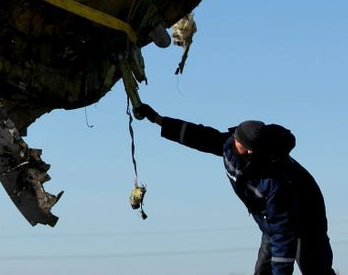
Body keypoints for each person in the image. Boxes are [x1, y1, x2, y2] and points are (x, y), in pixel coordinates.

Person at [135, 103, 336, 275]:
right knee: (263, 270)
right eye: (247, 147)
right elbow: (198, 136)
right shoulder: (228, 146)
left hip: (305, 216)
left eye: (254, 150)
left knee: (314, 268)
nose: (249, 152)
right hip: (270, 220)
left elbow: (283, 235)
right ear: (236, 139)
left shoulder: (275, 179)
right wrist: (157, 119)